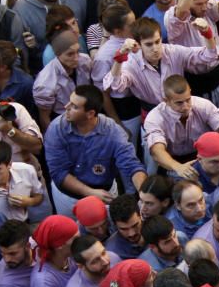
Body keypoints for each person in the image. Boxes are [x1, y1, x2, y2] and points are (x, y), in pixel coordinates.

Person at [44, 84, 147, 218]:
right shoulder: (56, 129)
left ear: (90, 114)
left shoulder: (112, 131)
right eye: (69, 102)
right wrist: (90, 192)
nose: (66, 107)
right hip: (68, 197)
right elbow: (59, 172)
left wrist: (144, 194)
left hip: (104, 193)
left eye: (74, 106)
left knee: (107, 230)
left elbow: (131, 164)